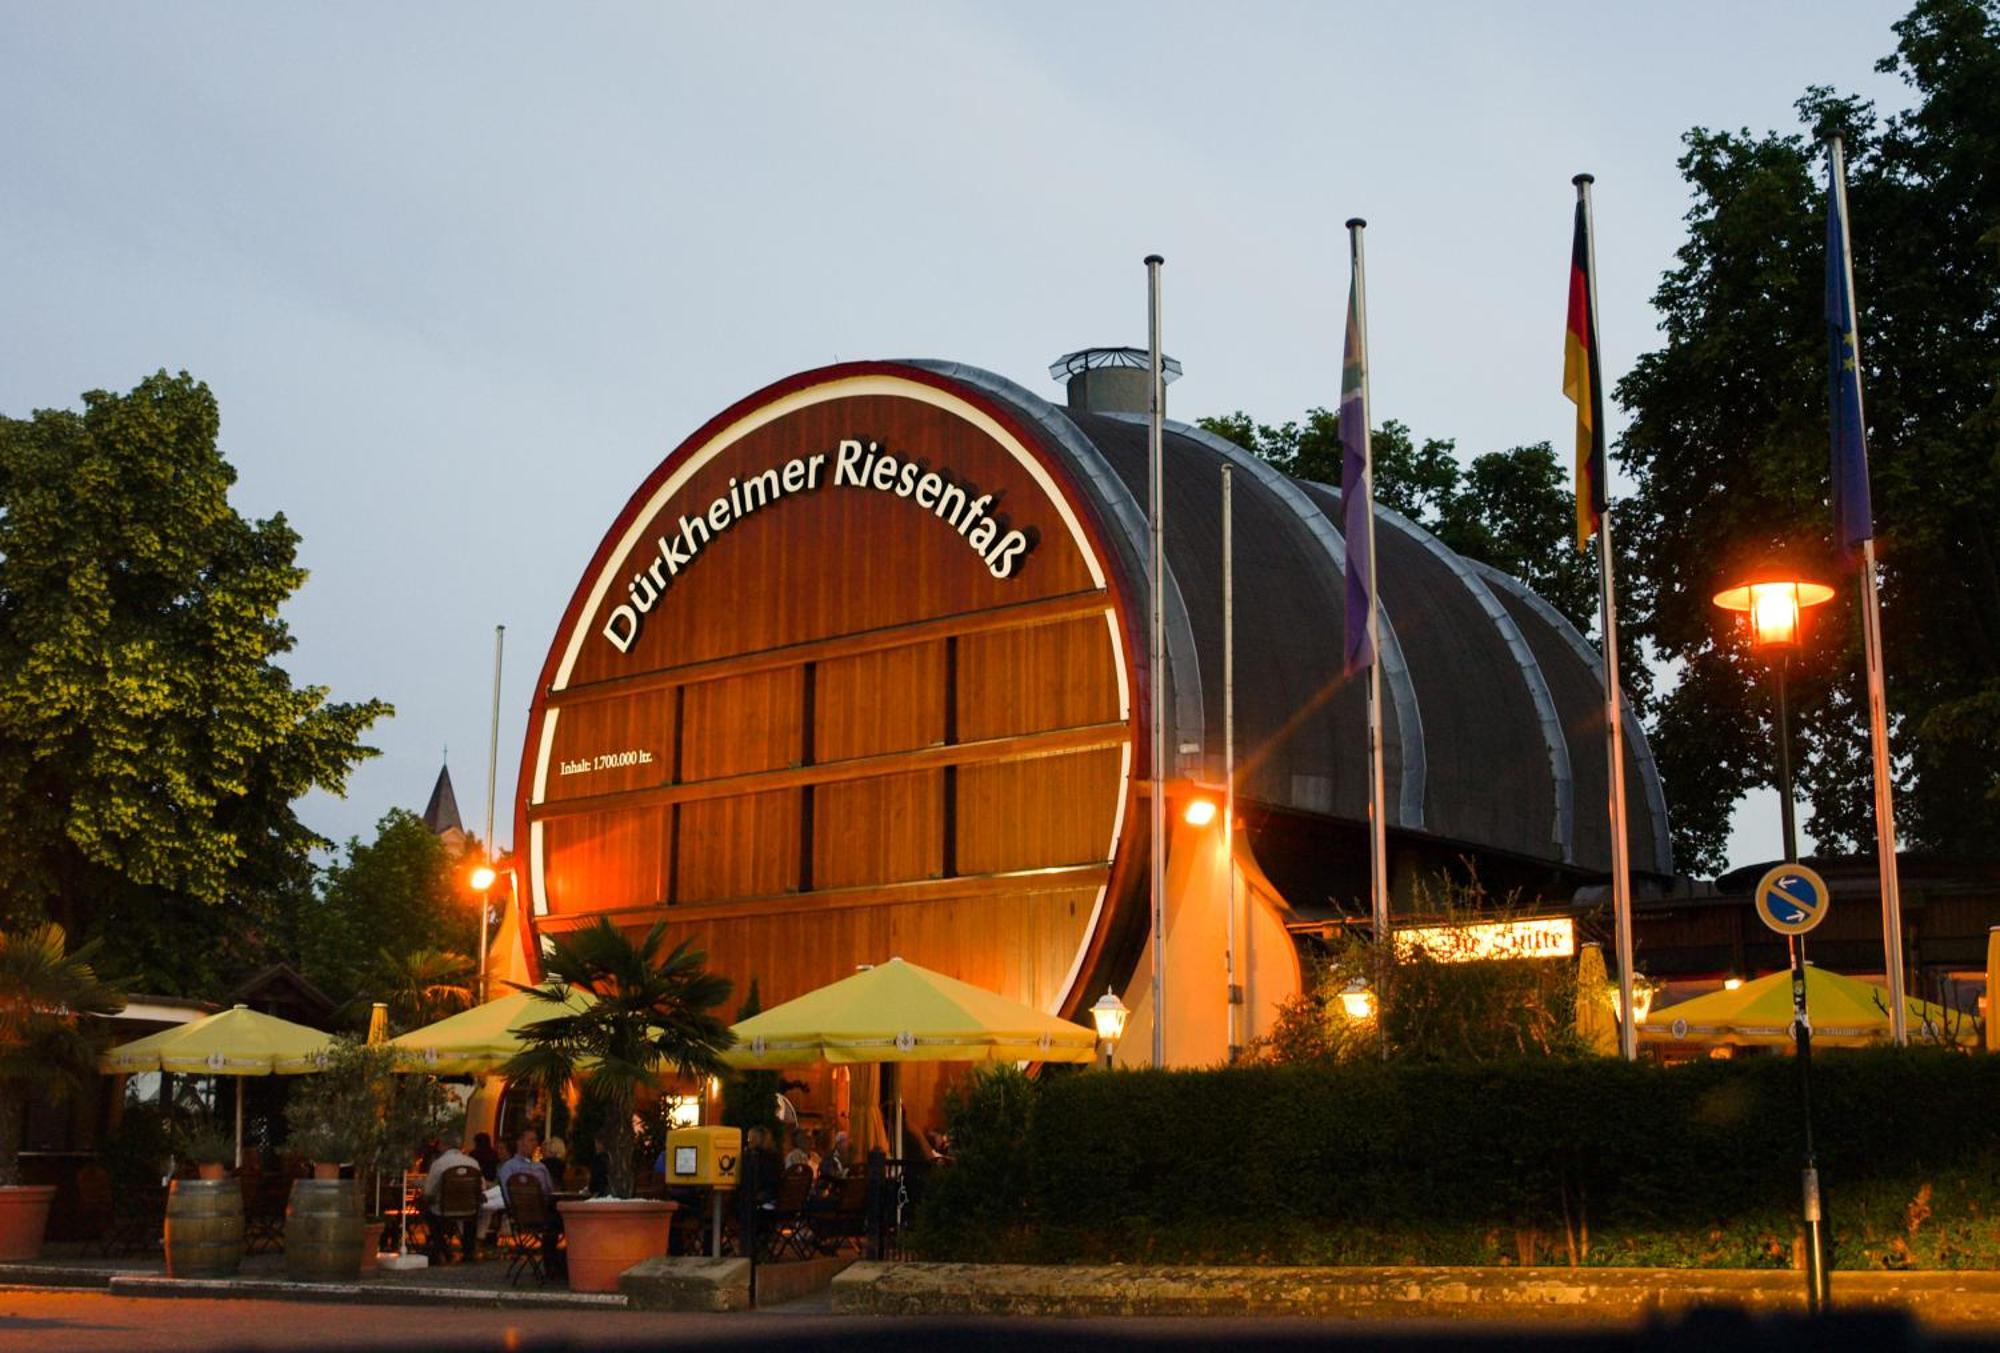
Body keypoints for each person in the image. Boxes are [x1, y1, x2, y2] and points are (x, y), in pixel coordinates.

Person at [419, 1141, 482, 1262]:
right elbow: (481, 1187)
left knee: (427, 1211)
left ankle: (441, 1246)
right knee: (470, 1213)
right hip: (469, 1209)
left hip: (443, 1210)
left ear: (443, 1146)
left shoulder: (438, 1164)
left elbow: (428, 1192)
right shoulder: (473, 1163)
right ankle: (468, 1250)